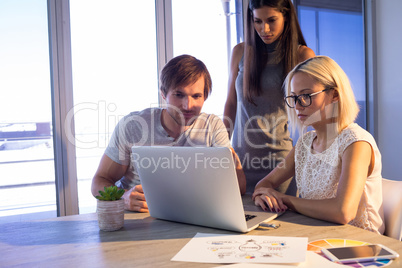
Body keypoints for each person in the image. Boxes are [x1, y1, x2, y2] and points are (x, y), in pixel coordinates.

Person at [92, 54, 246, 212]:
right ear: (163, 93)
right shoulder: (133, 126)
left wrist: (230, 160)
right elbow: (99, 182)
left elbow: (239, 188)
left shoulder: (213, 126)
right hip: (138, 220)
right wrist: (122, 197)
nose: (188, 106)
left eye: (196, 96)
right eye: (179, 95)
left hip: (192, 216)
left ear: (205, 96)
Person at [252, 56, 385, 234]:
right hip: (317, 233)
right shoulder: (305, 143)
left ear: (335, 95)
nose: (298, 106)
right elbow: (264, 184)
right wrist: (263, 195)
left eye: (306, 96)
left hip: (359, 243)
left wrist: (284, 199)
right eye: (294, 97)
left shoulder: (356, 142)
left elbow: (343, 212)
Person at [223, 0, 315, 194]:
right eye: (257, 21)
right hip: (239, 164)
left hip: (279, 167)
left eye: (271, 20)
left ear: (286, 17)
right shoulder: (240, 52)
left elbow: (313, 112)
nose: (264, 29)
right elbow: (231, 103)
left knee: (280, 223)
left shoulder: (302, 56)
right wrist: (221, 149)